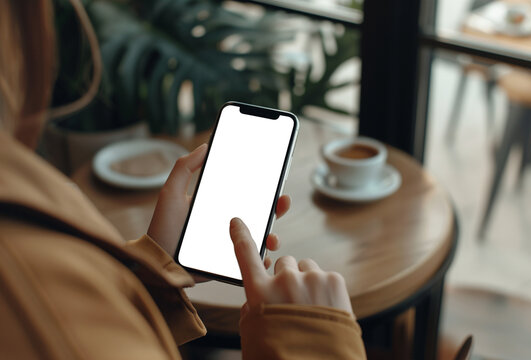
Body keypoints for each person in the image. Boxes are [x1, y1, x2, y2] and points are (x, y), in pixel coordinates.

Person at [0, 1, 367, 359]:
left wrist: (157, 267)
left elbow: (96, 328)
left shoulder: (28, 231)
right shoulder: (23, 272)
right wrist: (313, 339)